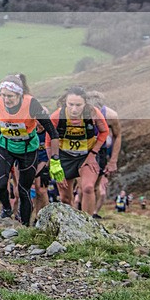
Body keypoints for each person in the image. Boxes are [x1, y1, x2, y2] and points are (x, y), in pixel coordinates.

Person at [0, 74, 59, 226]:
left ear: (19, 95)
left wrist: (55, 159)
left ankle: (24, 226)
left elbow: (52, 132)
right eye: (3, 95)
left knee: (23, 191)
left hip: (28, 151)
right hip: (6, 147)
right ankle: (7, 209)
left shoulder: (32, 104)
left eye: (10, 96)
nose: (6, 99)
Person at [49, 86, 109, 215]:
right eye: (70, 104)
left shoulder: (93, 113)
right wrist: (54, 163)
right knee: (65, 197)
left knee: (88, 188)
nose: (74, 109)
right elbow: (49, 140)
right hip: (64, 156)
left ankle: (87, 224)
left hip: (86, 155)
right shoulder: (57, 116)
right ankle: (71, 225)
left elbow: (104, 132)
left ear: (85, 104)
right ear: (65, 102)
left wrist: (93, 154)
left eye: (78, 105)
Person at [86, 91, 122, 220]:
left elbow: (117, 136)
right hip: (80, 149)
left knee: (93, 186)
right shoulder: (76, 113)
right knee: (84, 186)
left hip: (100, 151)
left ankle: (91, 215)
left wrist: (113, 161)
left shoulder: (111, 116)